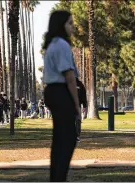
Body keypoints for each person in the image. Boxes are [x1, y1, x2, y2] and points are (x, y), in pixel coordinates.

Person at [42, 10, 80, 182]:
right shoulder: (62, 45)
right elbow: (70, 78)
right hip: (60, 91)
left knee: (59, 138)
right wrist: (77, 105)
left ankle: (55, 177)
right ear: (61, 25)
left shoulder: (51, 45)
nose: (73, 27)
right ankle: (60, 177)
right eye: (70, 23)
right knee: (69, 138)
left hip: (51, 91)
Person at [76, 78, 87, 142]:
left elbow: (83, 95)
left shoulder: (80, 84)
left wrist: (84, 106)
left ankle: (77, 136)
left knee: (78, 120)